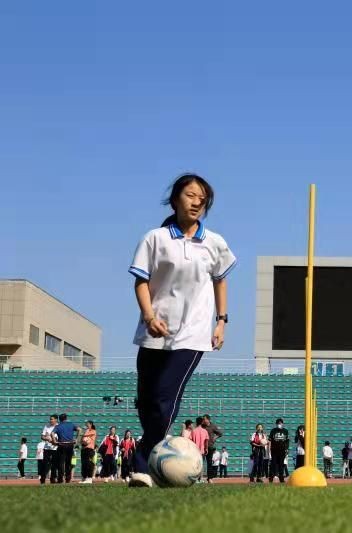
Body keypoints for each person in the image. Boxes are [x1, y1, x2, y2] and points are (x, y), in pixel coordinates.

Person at [127, 174, 236, 488]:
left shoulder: (214, 242)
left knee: (164, 398)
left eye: (203, 198)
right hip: (153, 331)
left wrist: (221, 320)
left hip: (193, 333)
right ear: (175, 199)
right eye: (191, 195)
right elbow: (141, 281)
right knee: (146, 401)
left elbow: (220, 280)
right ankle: (154, 461)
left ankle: (143, 465)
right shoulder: (155, 238)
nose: (197, 202)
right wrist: (149, 316)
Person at [52, 413, 81, 484]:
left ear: (59, 419)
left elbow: (52, 433)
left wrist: (55, 441)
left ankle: (60, 479)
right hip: (70, 445)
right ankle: (68, 479)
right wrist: (77, 439)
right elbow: (79, 429)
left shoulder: (58, 426)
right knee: (68, 463)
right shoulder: (71, 424)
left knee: (61, 463)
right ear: (66, 418)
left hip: (62, 445)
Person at [202, 415, 223, 481]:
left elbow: (220, 433)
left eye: (204, 419)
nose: (203, 420)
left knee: (209, 463)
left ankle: (209, 478)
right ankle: (199, 478)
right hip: (202, 446)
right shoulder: (202, 426)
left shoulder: (213, 426)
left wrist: (215, 438)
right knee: (200, 462)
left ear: (208, 420)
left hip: (210, 446)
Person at [40, 414, 58, 485]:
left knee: (54, 464)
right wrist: (46, 438)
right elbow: (42, 436)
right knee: (45, 464)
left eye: (52, 419)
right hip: (47, 448)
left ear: (56, 420)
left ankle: (53, 479)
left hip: (55, 448)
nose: (50, 420)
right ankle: (43, 479)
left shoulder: (58, 427)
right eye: (50, 419)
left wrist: (53, 440)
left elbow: (59, 438)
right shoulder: (46, 426)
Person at [190, 417, 209, 481]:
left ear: (196, 422)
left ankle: (194, 478)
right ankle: (200, 478)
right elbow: (206, 441)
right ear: (202, 422)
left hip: (194, 451)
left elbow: (190, 441)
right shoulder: (205, 431)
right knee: (201, 464)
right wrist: (206, 449)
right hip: (202, 451)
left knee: (194, 464)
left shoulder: (193, 431)